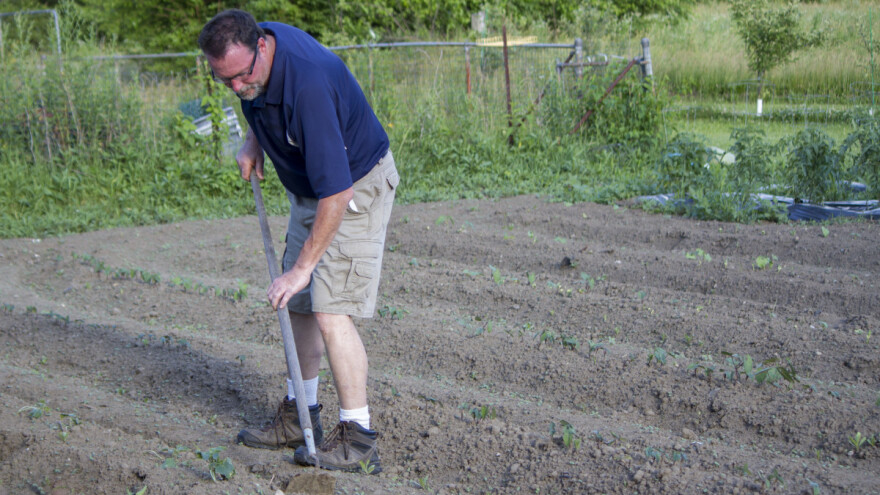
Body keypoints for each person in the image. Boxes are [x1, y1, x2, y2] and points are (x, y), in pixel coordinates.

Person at [198, 9, 398, 474]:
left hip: (353, 188)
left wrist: (303, 266)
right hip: (313, 186)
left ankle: (359, 436)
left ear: (261, 49)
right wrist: (255, 139)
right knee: (300, 304)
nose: (234, 88)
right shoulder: (252, 60)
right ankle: (300, 415)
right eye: (221, 80)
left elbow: (338, 191)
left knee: (329, 307)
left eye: (239, 77)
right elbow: (257, 96)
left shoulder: (307, 86)